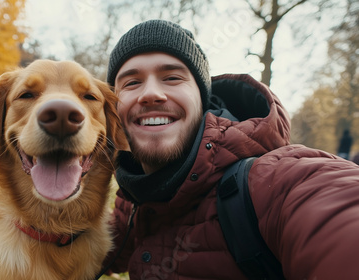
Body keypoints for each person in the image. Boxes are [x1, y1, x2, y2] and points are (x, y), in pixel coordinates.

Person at [104, 19, 359, 279]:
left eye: (171, 77)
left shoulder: (274, 182)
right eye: (131, 83)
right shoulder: (134, 198)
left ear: (202, 101)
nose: (151, 93)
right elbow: (97, 251)